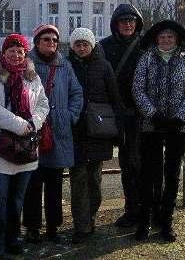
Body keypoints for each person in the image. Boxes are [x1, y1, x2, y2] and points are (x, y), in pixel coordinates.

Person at [0, 33, 49, 260]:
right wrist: (21, 125)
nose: (16, 54)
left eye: (20, 51)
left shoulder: (31, 76)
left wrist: (33, 123)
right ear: (4, 52)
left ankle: (12, 238)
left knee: (17, 198)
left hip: (25, 146)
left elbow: (42, 104)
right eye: (11, 50)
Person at [132, 19, 185, 242]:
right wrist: (154, 114)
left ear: (177, 39)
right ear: (156, 39)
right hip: (152, 126)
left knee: (172, 175)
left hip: (178, 128)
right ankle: (144, 222)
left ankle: (167, 223)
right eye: (162, 37)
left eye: (170, 37)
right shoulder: (146, 60)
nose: (166, 40)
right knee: (149, 174)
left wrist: (178, 117)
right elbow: (138, 90)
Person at [22, 24, 83, 243]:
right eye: (46, 39)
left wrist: (70, 116)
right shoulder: (26, 65)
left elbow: (76, 93)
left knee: (55, 184)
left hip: (58, 131)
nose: (51, 43)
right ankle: (32, 227)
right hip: (33, 132)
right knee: (32, 183)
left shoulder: (65, 65)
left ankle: (53, 227)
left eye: (54, 40)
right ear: (37, 42)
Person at [67, 27, 118, 244]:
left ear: (92, 45)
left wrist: (117, 128)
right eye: (77, 44)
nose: (81, 47)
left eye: (85, 44)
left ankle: (91, 215)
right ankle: (82, 226)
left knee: (95, 181)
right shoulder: (66, 66)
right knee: (78, 181)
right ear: (73, 47)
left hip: (97, 131)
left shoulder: (104, 66)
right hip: (76, 131)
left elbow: (114, 96)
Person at [99, 4, 145, 227]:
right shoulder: (105, 47)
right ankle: (132, 208)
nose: (128, 25)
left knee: (145, 165)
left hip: (143, 115)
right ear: (116, 24)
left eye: (132, 21)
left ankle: (149, 208)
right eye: (123, 21)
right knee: (127, 164)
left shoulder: (147, 46)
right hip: (117, 114)